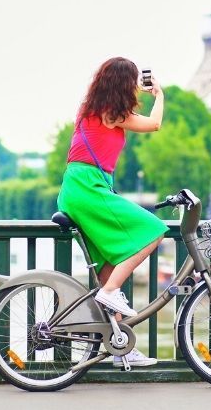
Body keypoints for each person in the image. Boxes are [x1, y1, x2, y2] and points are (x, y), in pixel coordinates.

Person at [57, 56, 167, 367]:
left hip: (76, 190)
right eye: (133, 82)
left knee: (108, 267)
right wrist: (159, 95)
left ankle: (121, 349)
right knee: (154, 230)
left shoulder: (90, 110)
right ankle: (110, 291)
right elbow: (155, 124)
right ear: (124, 84)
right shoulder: (113, 114)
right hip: (90, 188)